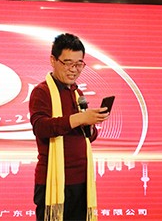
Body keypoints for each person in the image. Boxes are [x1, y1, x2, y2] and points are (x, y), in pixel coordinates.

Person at [30, 33, 110, 221]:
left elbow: (85, 136)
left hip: (81, 179)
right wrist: (79, 118)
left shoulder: (77, 93)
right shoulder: (42, 92)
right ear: (53, 60)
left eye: (79, 64)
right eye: (67, 63)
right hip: (53, 181)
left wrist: (90, 123)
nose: (74, 70)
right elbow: (41, 128)